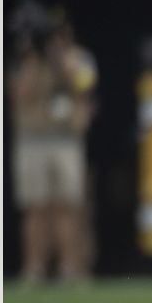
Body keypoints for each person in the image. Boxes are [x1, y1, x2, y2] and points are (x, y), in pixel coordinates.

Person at [10, 17, 97, 284]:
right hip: (33, 139)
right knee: (35, 207)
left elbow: (86, 88)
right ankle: (34, 269)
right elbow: (20, 93)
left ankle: (70, 268)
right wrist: (36, 59)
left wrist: (61, 63)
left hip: (65, 140)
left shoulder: (79, 58)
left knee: (67, 206)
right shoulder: (25, 59)